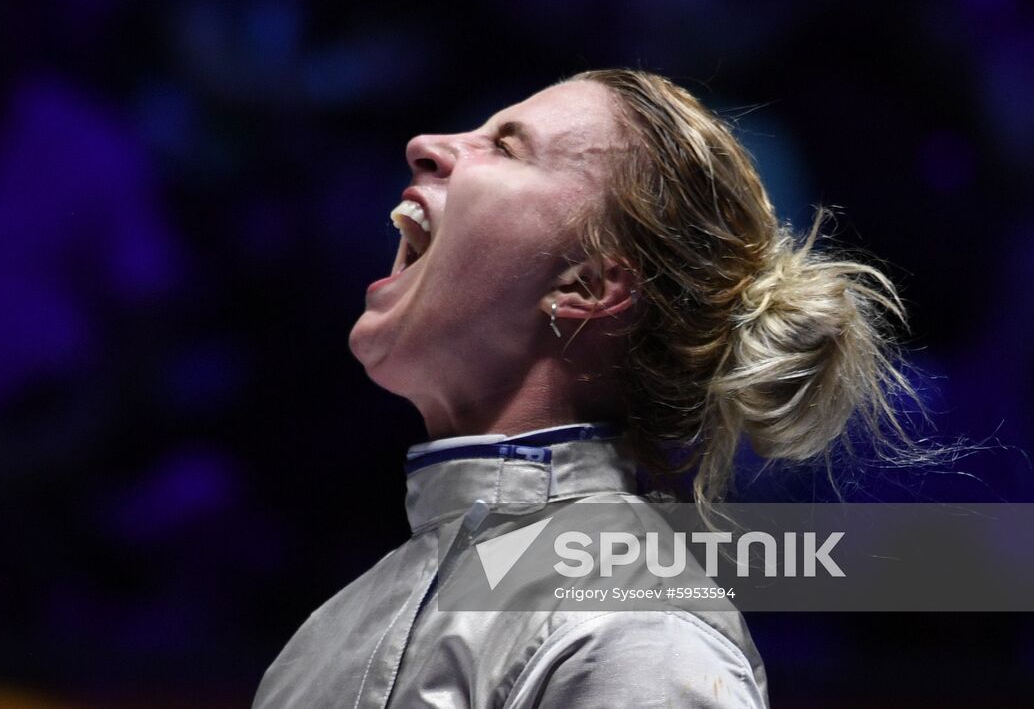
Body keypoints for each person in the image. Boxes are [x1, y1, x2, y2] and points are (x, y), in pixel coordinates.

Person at [253, 69, 922, 708]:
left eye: (506, 148)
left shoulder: (635, 631)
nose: (425, 146)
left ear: (588, 287)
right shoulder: (326, 636)